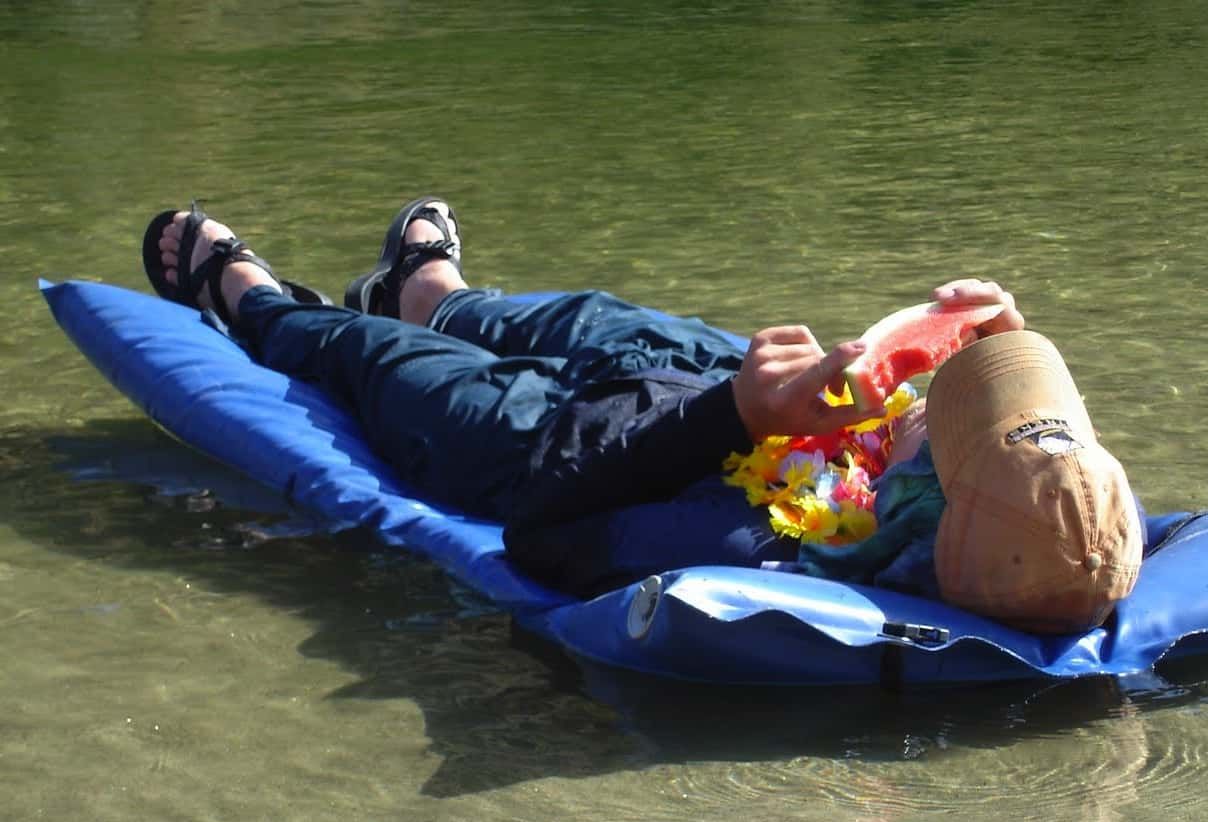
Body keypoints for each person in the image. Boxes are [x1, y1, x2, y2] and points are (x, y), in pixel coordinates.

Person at [142, 197, 1142, 634]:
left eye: (947, 417)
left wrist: (737, 414)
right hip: (686, 372)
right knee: (576, 313)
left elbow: (545, 529)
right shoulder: (929, 476)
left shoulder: (746, 543)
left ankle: (249, 297)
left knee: (366, 354)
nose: (934, 396)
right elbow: (1026, 472)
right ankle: (427, 287)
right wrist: (994, 347)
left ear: (919, 505)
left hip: (531, 437)